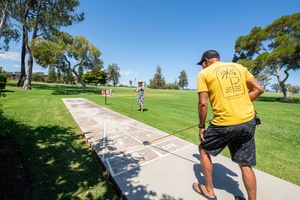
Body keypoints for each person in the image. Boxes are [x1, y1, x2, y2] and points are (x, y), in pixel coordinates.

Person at [192, 50, 264, 200]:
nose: (202, 67)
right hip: (247, 121)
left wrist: (201, 126)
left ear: (206, 61)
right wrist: (240, 103)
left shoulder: (204, 74)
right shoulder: (239, 67)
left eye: (202, 64)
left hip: (224, 123)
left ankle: (209, 190)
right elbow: (259, 89)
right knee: (245, 163)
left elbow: (203, 103)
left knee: (203, 149)